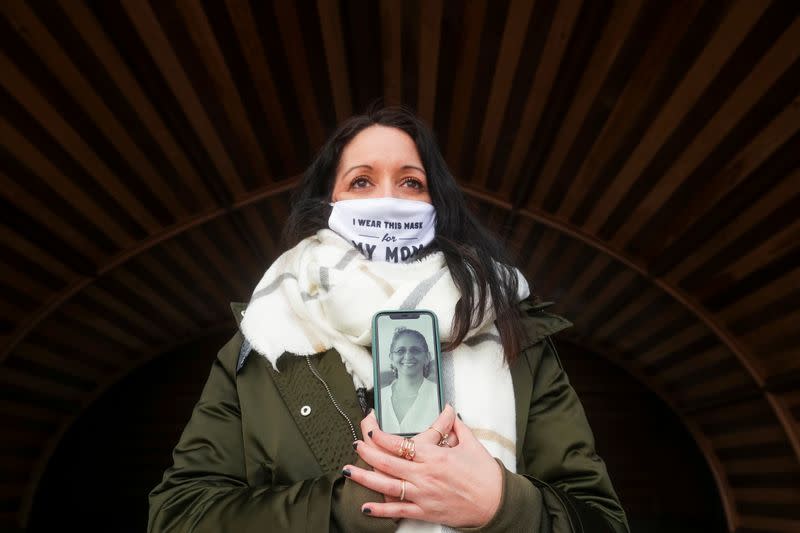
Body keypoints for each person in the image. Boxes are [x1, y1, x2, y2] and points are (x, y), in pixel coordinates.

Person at [148, 104, 630, 532]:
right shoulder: (267, 339)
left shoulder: (513, 334)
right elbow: (179, 515)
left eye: (410, 182)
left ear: (436, 205)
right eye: (362, 181)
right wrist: (345, 506)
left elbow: (602, 519)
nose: (388, 198)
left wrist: (503, 506)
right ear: (328, 205)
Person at [380, 327, 440, 435]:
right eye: (400, 351)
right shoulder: (381, 396)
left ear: (427, 357)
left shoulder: (438, 394)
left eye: (415, 350)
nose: (408, 356)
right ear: (392, 358)